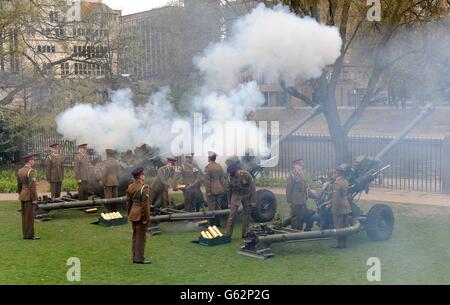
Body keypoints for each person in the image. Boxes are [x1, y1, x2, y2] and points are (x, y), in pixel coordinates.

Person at [322, 164, 352, 249]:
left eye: (336, 172)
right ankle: (344, 243)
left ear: (338, 173)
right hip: (346, 207)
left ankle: (339, 244)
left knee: (338, 226)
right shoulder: (345, 181)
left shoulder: (337, 183)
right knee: (344, 226)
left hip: (339, 208)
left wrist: (331, 207)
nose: (334, 173)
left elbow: (336, 198)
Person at [126, 167, 151, 264]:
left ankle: (135, 256)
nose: (144, 176)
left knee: (135, 236)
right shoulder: (144, 188)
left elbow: (128, 203)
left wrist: (130, 214)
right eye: (143, 174)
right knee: (141, 238)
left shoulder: (130, 186)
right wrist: (145, 218)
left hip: (133, 214)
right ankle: (139, 258)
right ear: (140, 176)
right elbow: (145, 205)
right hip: (141, 215)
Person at [225, 162, 256, 238]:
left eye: (233, 174)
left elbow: (253, 187)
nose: (232, 176)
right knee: (232, 215)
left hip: (246, 195)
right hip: (236, 195)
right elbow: (229, 190)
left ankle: (245, 234)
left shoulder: (246, 174)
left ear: (237, 171)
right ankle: (228, 234)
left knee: (246, 215)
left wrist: (253, 201)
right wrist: (229, 202)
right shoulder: (230, 177)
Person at [285, 158, 315, 231]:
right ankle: (295, 232)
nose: (300, 167)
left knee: (301, 216)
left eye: (301, 165)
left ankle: (300, 231)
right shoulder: (292, 175)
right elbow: (288, 189)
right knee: (295, 217)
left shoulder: (302, 175)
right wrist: (290, 201)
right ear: (294, 166)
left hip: (303, 200)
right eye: (299, 165)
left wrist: (313, 196)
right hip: (295, 200)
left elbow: (306, 188)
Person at [17, 154, 40, 240]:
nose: (34, 161)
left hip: (23, 195)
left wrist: (21, 194)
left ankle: (25, 234)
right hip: (30, 197)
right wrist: (34, 199)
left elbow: (19, 185)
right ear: (30, 161)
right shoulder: (31, 171)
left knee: (24, 216)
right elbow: (32, 187)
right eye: (33, 160)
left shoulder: (20, 171)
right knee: (30, 217)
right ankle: (29, 235)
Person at [204, 151, 225, 226]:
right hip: (219, 189)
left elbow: (207, 181)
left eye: (208, 157)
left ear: (209, 158)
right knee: (218, 207)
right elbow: (222, 179)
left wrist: (208, 192)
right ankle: (218, 223)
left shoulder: (208, 167)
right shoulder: (219, 166)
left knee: (211, 208)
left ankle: (211, 224)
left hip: (212, 190)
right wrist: (222, 188)